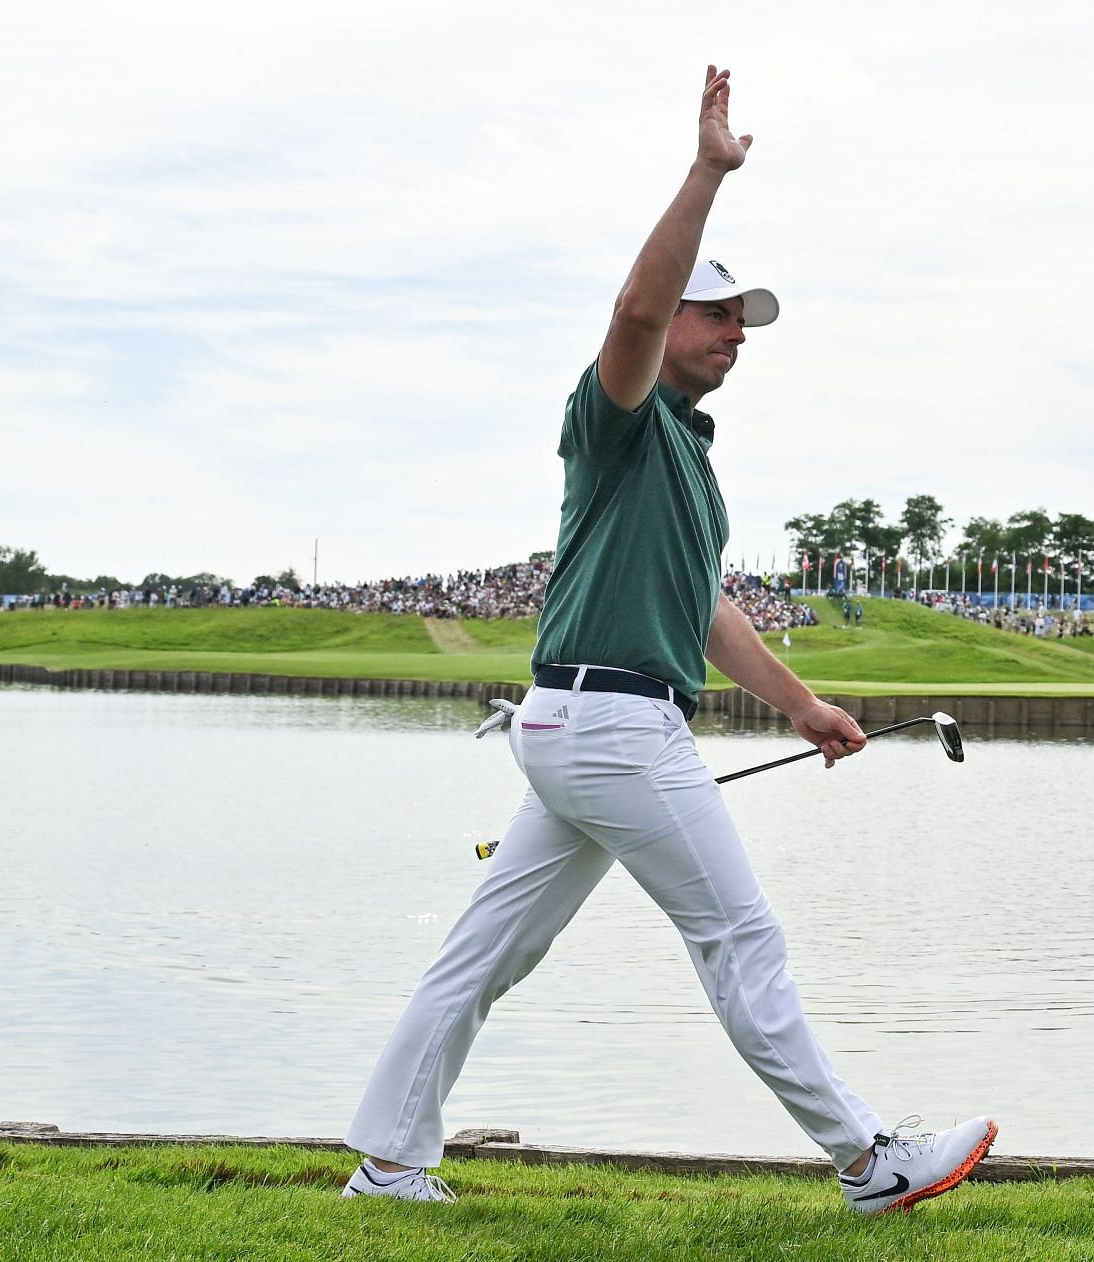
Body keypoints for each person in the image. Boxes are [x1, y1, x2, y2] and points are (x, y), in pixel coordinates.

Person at [341, 67, 995, 1213]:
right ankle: (869, 1158)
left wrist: (801, 704)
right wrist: (707, 171)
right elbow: (633, 314)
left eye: (742, 320)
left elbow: (704, 609)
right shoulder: (616, 413)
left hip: (573, 725)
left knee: (484, 955)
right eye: (719, 312)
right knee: (740, 934)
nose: (735, 333)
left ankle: (387, 1162)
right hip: (609, 725)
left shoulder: (689, 456)